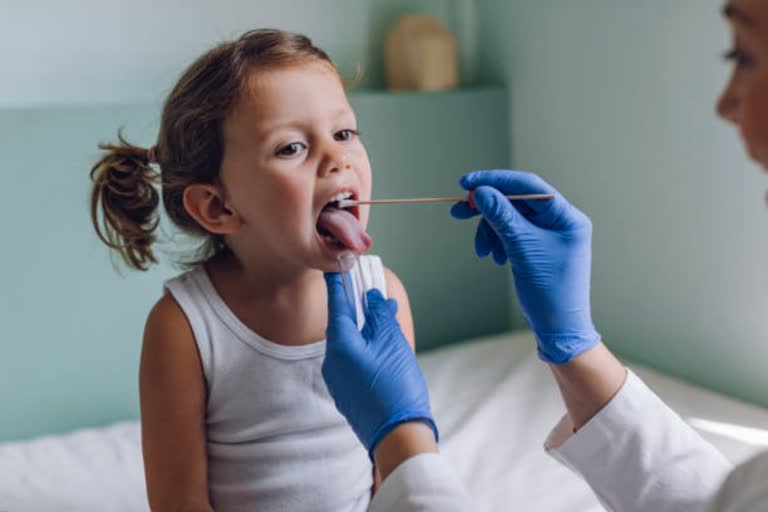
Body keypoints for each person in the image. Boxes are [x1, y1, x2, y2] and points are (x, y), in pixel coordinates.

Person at [320, 1, 768, 510]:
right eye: (290, 147)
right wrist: (575, 347)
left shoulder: (387, 294)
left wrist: (402, 441)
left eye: (745, 55)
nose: (725, 104)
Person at [89, 29, 419, 511]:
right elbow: (179, 502)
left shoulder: (382, 297)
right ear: (218, 207)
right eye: (291, 148)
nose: (338, 159)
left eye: (344, 133)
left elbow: (397, 472)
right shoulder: (185, 327)